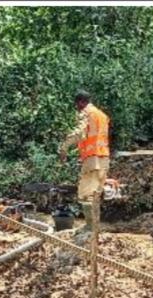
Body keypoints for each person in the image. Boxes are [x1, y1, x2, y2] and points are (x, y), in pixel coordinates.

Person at [58, 90, 110, 231]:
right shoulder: (102, 115)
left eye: (77, 104)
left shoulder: (87, 113)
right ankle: (95, 228)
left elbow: (79, 133)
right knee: (95, 195)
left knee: (86, 194)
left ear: (81, 102)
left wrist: (64, 147)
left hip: (92, 158)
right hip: (103, 157)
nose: (77, 108)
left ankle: (90, 227)